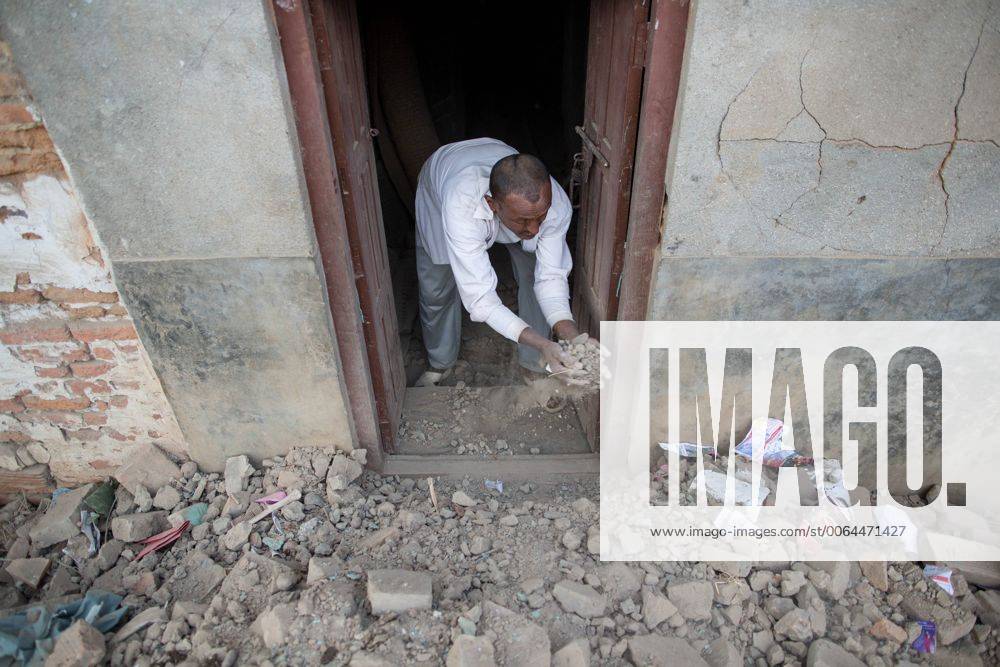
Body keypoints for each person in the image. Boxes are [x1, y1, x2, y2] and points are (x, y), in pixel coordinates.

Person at [413, 137, 594, 386]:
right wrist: (544, 342)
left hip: (501, 188)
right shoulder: (460, 207)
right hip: (442, 185)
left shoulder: (555, 205)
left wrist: (571, 336)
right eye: (523, 221)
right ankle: (440, 361)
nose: (533, 229)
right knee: (437, 287)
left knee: (534, 275)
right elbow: (481, 299)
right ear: (492, 205)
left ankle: (535, 364)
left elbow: (551, 277)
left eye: (540, 217)